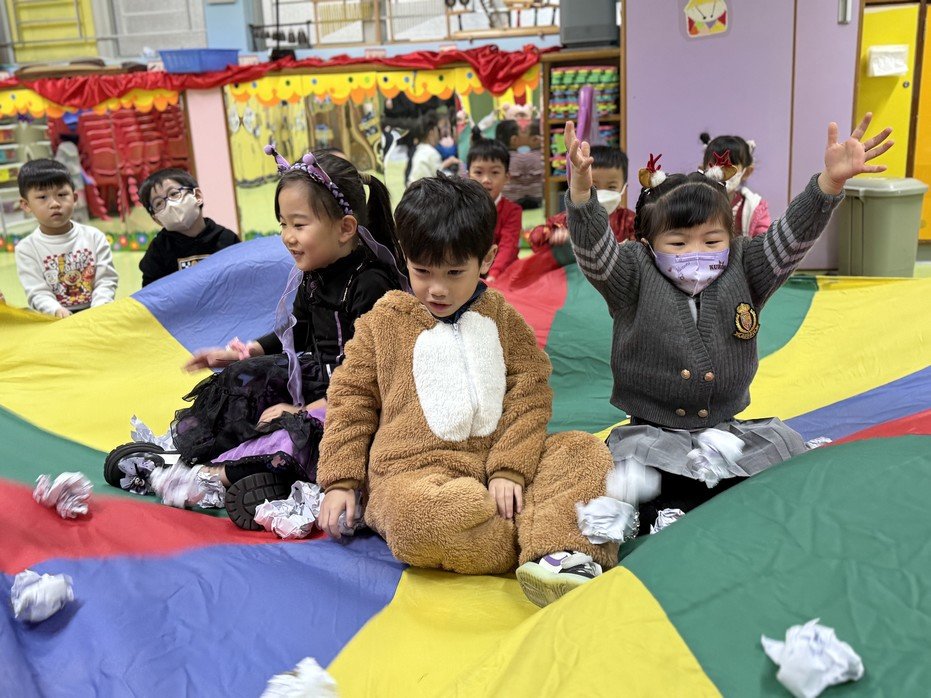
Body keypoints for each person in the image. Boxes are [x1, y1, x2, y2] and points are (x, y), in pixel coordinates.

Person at [563, 114, 892, 533]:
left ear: (731, 238)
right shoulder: (632, 272)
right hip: (652, 432)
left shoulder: (747, 265)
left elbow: (792, 236)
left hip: (724, 429)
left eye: (712, 241)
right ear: (648, 244)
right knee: (631, 475)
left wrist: (828, 183)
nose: (696, 253)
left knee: (774, 455)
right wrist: (581, 193)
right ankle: (663, 514)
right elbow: (595, 251)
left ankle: (693, 505)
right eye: (678, 243)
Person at [316, 175, 618, 608]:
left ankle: (561, 555)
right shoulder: (384, 321)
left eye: (454, 273)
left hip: (498, 470)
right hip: (414, 476)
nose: (437, 288)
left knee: (584, 452)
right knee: (419, 518)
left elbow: (530, 392)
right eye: (422, 271)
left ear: (486, 259)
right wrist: (341, 482)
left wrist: (510, 469)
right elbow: (350, 401)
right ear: (405, 258)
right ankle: (542, 532)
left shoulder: (503, 318)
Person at [107, 150, 407, 531]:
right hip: (320, 378)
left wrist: (300, 410)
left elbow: (371, 377)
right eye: (283, 224)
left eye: (299, 224)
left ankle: (214, 478)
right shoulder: (315, 270)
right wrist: (247, 352)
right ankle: (194, 455)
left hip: (355, 401)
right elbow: (298, 328)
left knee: (297, 432)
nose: (287, 237)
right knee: (244, 379)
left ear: (345, 228)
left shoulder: (371, 283)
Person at [14, 159, 117, 317]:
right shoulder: (26, 249)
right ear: (26, 205)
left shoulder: (94, 237)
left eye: (62, 195)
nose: (55, 203)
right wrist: (56, 310)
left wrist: (98, 309)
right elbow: (37, 292)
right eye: (42, 197)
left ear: (74, 198)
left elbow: (106, 280)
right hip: (55, 319)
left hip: (97, 313)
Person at [138, 168, 240, 287]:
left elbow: (241, 280)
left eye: (173, 194)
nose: (170, 204)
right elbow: (151, 292)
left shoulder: (227, 238)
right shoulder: (158, 250)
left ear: (197, 196)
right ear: (156, 219)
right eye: (158, 203)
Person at [528, 145, 634, 254]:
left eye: (611, 187)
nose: (601, 193)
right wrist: (553, 236)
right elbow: (535, 238)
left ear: (624, 188)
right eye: (594, 187)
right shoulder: (568, 220)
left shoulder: (629, 222)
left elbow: (642, 250)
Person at [467, 127, 522, 282]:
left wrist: (493, 275)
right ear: (468, 175)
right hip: (469, 273)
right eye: (479, 172)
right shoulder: (462, 207)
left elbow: (508, 246)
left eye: (495, 173)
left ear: (507, 177)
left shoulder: (513, 211)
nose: (486, 180)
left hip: (503, 273)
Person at [700, 132, 771, 237]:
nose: (721, 170)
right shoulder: (695, 201)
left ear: (747, 172)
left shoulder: (754, 208)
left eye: (730, 164)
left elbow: (763, 242)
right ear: (703, 169)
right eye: (714, 163)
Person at [497, 119, 544, 209]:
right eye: (522, 132)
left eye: (524, 131)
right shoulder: (526, 157)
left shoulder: (500, 158)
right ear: (514, 140)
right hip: (530, 200)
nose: (523, 134)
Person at [405, 112, 460, 185]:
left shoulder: (420, 150)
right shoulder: (431, 153)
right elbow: (439, 176)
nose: (441, 134)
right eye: (438, 130)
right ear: (431, 133)